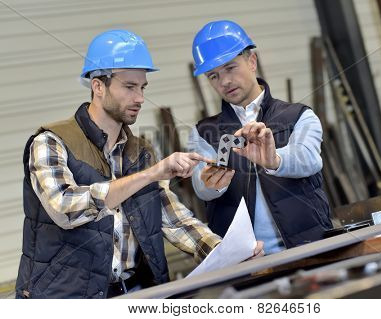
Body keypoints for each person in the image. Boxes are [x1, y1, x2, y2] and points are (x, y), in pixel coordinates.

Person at [15, 29, 262, 299]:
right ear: (98, 86)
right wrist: (150, 174)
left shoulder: (140, 152)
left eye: (142, 87)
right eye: (130, 87)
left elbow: (174, 220)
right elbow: (65, 208)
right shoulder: (52, 142)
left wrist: (229, 253)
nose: (140, 98)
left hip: (134, 293)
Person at [188, 20, 333, 255]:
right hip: (246, 261)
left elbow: (309, 159)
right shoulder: (203, 131)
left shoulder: (298, 116)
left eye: (230, 68)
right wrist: (210, 185)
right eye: (213, 76)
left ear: (252, 61)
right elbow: (199, 186)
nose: (224, 81)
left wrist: (273, 159)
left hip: (308, 249)